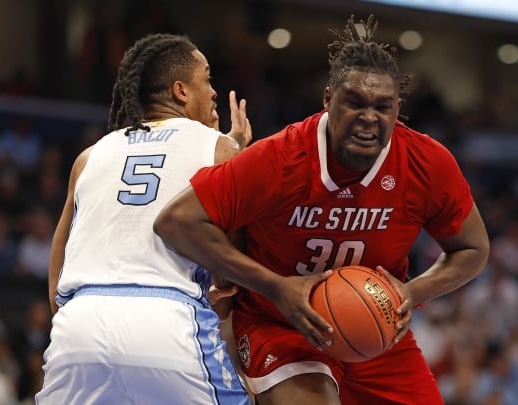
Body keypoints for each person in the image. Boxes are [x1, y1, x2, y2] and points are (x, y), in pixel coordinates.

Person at [155, 15, 490, 405]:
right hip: (278, 323)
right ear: (328, 99)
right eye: (355, 102)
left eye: (383, 107)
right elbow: (177, 221)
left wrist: (409, 293)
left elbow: (473, 248)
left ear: (399, 109)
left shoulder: (426, 163)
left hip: (374, 327)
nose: (369, 118)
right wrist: (275, 287)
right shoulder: (280, 157)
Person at [36, 33, 253, 404]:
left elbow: (56, 279)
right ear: (181, 91)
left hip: (79, 329)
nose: (214, 92)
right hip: (167, 321)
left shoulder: (90, 155)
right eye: (207, 78)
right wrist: (239, 155)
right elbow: (232, 274)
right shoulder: (219, 148)